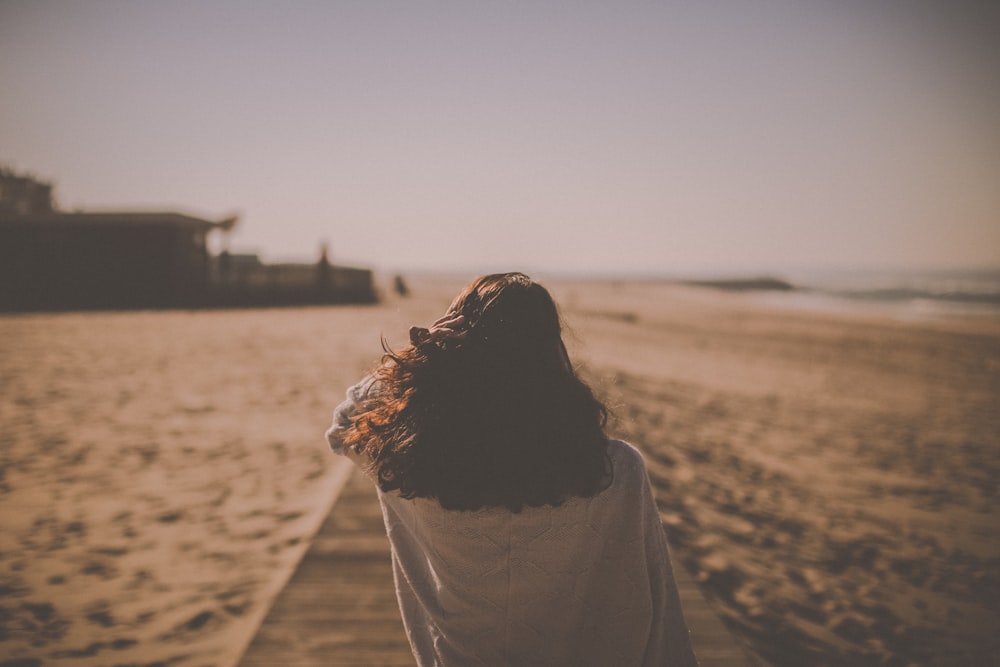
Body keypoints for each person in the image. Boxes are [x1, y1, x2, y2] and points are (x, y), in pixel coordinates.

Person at [326, 272, 698, 666]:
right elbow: (657, 605)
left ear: (457, 350)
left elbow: (344, 426)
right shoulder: (615, 470)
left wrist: (419, 356)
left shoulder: (414, 464)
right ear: (551, 352)